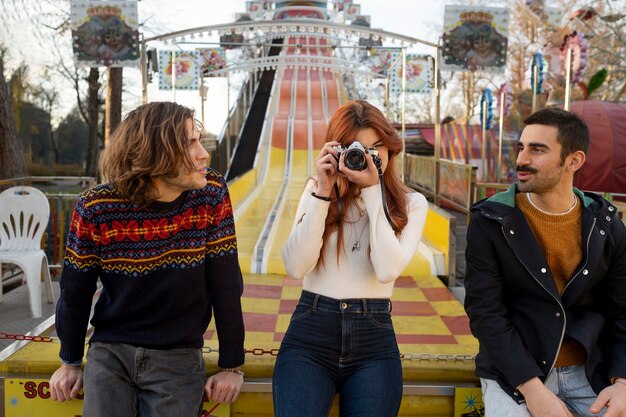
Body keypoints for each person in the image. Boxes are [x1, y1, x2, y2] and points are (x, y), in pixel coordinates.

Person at [48, 102, 246, 416]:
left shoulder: (210, 193)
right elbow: (75, 290)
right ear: (156, 153)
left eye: (199, 141)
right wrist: (70, 361)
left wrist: (232, 365)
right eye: (190, 143)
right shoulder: (96, 207)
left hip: (179, 354)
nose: (203, 154)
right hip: (110, 353)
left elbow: (226, 285)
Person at [464, 107, 626, 417]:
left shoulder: (605, 224)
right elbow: (486, 315)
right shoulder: (490, 221)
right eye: (521, 147)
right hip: (516, 375)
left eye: (537, 150)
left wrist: (622, 383)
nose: (522, 159)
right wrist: (533, 390)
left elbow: (623, 311)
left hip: (592, 370)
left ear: (574, 161)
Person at [272, 100, 428, 417]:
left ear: (390, 149)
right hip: (310, 335)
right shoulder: (317, 192)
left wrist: (372, 192)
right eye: (356, 149)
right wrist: (323, 191)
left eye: (376, 147)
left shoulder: (412, 204)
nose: (368, 157)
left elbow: (387, 270)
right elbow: (295, 267)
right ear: (337, 152)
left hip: (374, 340)